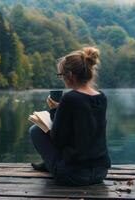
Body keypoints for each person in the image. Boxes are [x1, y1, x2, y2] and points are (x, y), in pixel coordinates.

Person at [29, 47, 111, 186]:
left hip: (73, 175)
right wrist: (60, 108)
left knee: (35, 130)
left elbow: (58, 139)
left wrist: (55, 111)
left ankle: (51, 165)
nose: (61, 78)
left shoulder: (70, 98)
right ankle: (49, 164)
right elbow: (86, 129)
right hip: (100, 173)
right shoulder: (101, 97)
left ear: (71, 75)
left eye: (61, 75)